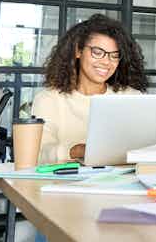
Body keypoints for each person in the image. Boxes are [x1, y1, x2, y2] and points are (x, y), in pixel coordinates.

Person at [32, 14, 147, 164]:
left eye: (114, 56)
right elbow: (39, 153)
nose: (106, 62)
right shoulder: (49, 99)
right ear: (78, 51)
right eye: (97, 53)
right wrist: (78, 150)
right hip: (62, 184)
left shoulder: (132, 97)